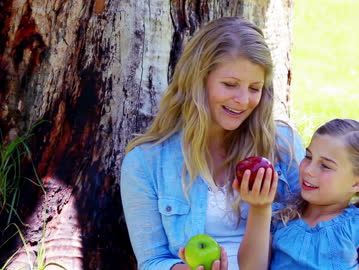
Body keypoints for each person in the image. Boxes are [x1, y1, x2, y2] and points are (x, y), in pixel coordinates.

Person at [120, 17, 304, 270]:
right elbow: (152, 260)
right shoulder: (146, 162)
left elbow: (323, 217)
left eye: (254, 88)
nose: (242, 100)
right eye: (230, 85)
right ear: (198, 80)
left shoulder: (283, 145)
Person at [236, 118, 359, 270]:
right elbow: (250, 267)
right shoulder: (279, 217)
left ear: (358, 183)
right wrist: (260, 208)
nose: (308, 170)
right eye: (308, 157)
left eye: (325, 166)